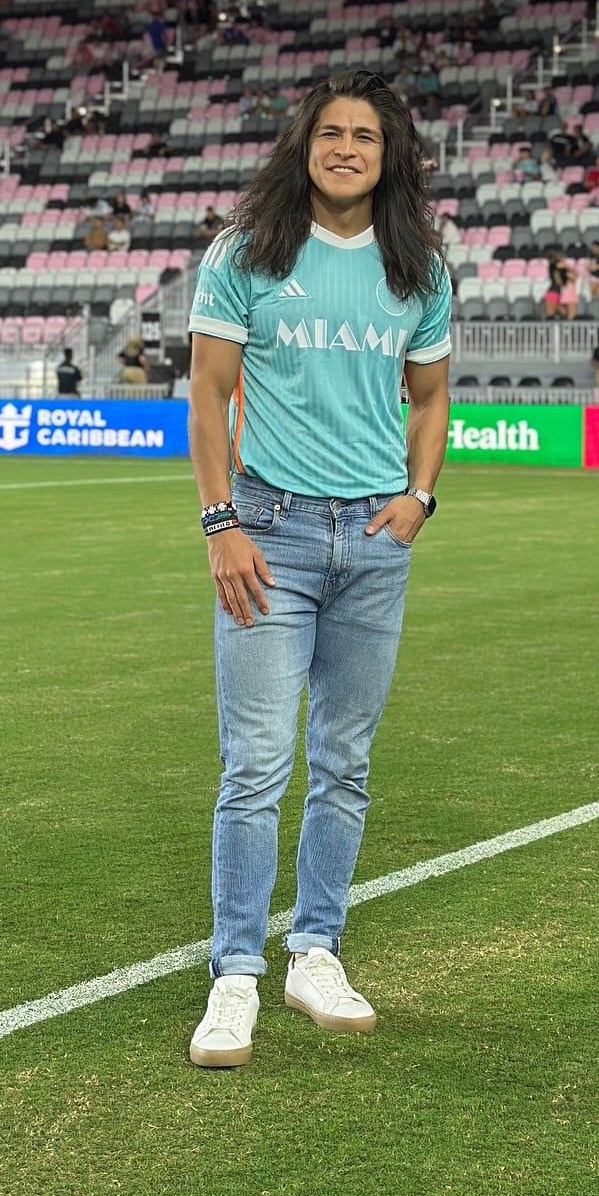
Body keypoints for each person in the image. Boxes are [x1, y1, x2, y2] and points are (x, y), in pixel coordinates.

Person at [185, 69, 451, 1069]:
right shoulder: (247, 253)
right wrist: (220, 523)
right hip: (270, 534)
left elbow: (429, 399)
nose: (346, 148)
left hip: (373, 546)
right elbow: (209, 397)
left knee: (346, 761)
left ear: (391, 158)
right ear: (305, 144)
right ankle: (234, 976)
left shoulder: (416, 265)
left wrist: (420, 498)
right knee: (256, 763)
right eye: (331, 132)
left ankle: (316, 952)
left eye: (366, 137)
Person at [543, 253, 578, 320]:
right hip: (553, 293)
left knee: (562, 314)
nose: (564, 263)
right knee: (551, 316)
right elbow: (574, 276)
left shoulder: (559, 270)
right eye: (562, 261)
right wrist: (568, 268)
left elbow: (574, 276)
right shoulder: (556, 269)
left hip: (557, 293)